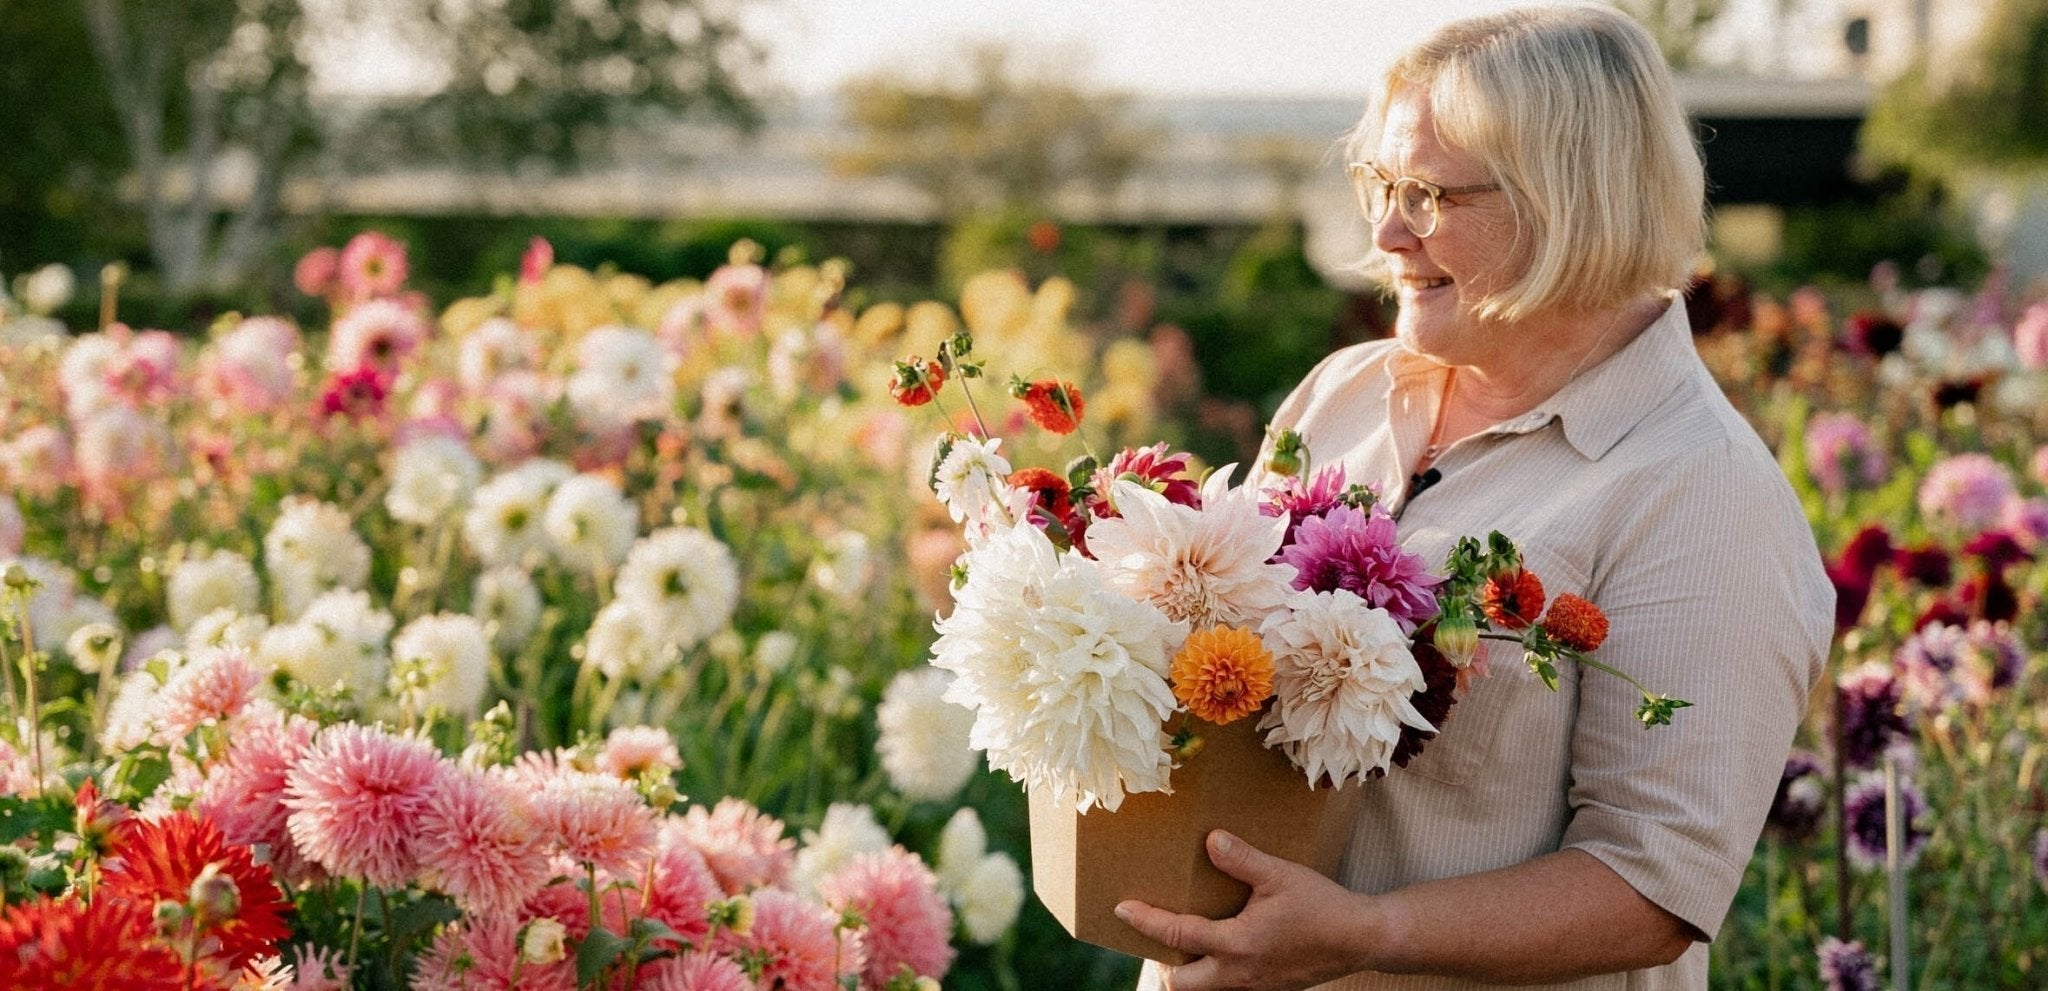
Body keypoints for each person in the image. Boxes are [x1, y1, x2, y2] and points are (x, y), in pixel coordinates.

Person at [1116, 5, 1834, 989]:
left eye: (1424, 193)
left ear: (1570, 199)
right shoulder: (1343, 393)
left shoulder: (1702, 495)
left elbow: (1650, 888)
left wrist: (1364, 933)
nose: (1383, 230)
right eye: (1379, 182)